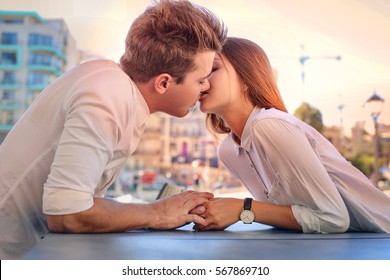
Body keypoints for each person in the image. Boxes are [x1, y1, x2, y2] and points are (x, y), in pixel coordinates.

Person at [0, 0, 227, 259]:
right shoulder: (108, 95)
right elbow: (67, 214)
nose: (206, 87)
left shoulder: (116, 90)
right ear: (163, 82)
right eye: (200, 80)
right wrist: (158, 213)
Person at [195, 37, 390, 233]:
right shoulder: (228, 151)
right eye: (200, 72)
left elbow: (333, 219)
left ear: (246, 79)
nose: (202, 79)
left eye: (213, 69)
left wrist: (242, 208)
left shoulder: (268, 124)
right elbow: (292, 215)